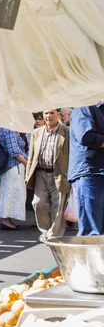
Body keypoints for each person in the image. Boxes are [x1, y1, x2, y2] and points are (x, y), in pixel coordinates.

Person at [25, 109, 70, 242]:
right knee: (38, 203)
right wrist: (28, 175)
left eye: (51, 113)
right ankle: (45, 230)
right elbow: (32, 155)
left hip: (59, 173)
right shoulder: (37, 132)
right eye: (46, 113)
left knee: (58, 204)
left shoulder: (66, 132)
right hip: (41, 172)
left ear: (58, 114)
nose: (48, 116)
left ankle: (54, 233)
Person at [68, 100, 104, 236]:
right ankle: (88, 257)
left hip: (99, 172)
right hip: (90, 173)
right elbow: (86, 137)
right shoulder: (85, 106)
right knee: (92, 231)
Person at [0, 126, 28, 230]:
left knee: (8, 192)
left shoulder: (2, 129)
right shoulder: (10, 129)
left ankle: (7, 219)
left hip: (7, 167)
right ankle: (6, 220)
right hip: (14, 166)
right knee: (12, 192)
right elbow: (14, 151)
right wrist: (26, 162)